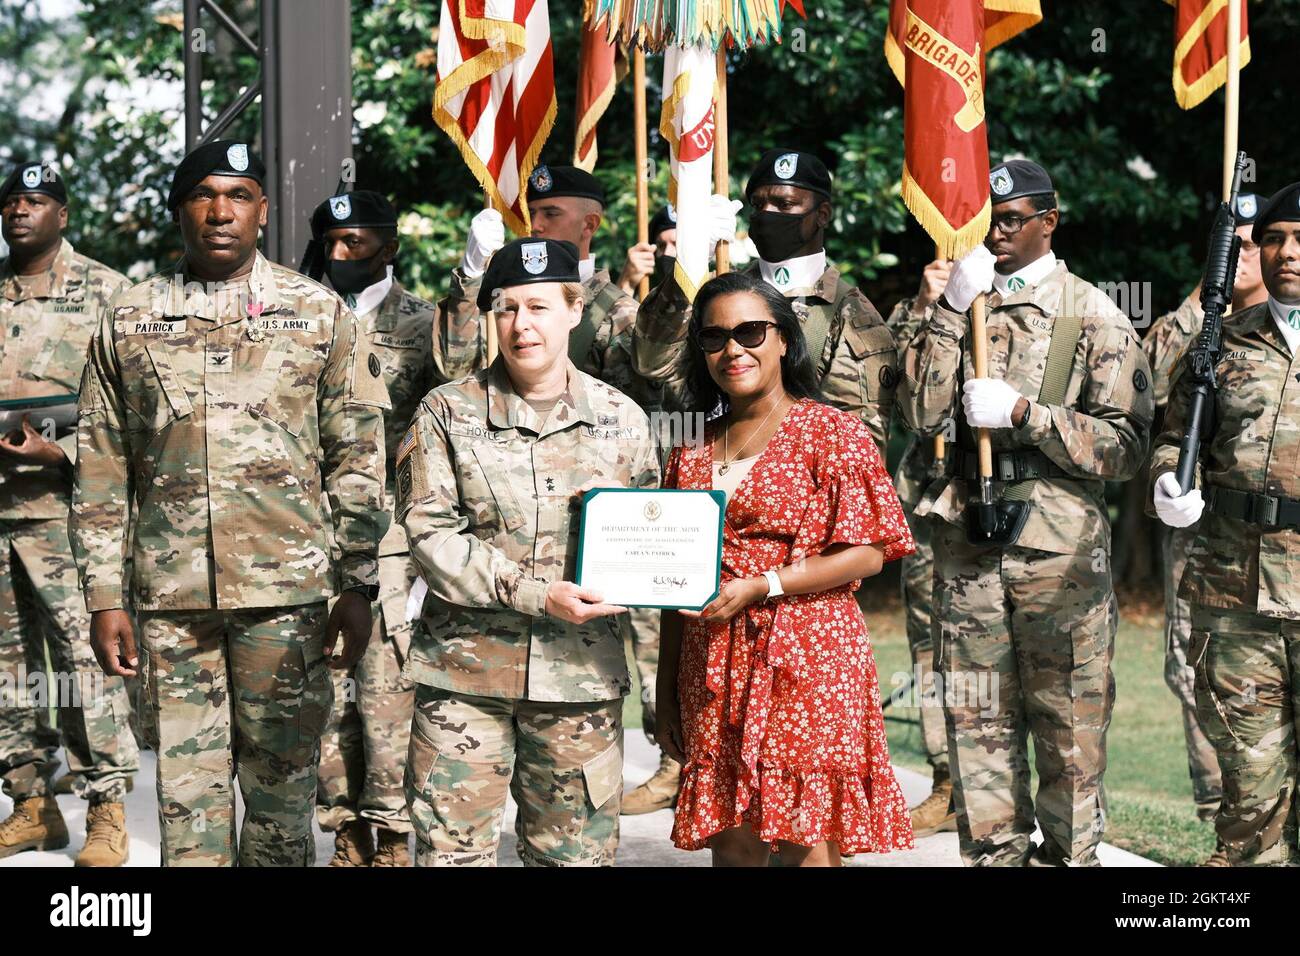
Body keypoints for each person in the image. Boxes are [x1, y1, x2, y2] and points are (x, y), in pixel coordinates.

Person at [71, 140, 391, 867]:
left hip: (290, 596)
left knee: (282, 798)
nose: (221, 212)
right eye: (203, 195)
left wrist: (359, 582)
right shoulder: (129, 317)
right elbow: (101, 466)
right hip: (170, 602)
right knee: (188, 803)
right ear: (180, 208)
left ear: (263, 210)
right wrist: (103, 596)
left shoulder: (317, 313)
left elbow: (357, 456)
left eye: (239, 194)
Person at [898, 159, 1155, 866]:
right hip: (967, 543)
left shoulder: (1092, 314)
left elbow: (1127, 447)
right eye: (985, 222)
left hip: (1057, 552)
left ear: (1050, 220)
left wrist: (1027, 415)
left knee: (1069, 725)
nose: (997, 235)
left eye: (1012, 221)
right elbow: (918, 413)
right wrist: (949, 311)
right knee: (975, 722)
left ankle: (1070, 860)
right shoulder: (956, 305)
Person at [398, 237, 659, 866]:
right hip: (464, 681)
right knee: (449, 859)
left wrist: (659, 685)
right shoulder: (446, 412)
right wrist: (537, 595)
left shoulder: (623, 419)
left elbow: (652, 556)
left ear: (574, 310)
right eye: (508, 308)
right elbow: (429, 532)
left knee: (574, 861)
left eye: (540, 307)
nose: (522, 326)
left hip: (581, 684)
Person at [655, 270, 914, 866]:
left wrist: (764, 584)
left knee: (806, 842)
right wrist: (667, 690)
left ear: (783, 339)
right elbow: (675, 578)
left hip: (807, 654)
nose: (733, 350)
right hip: (713, 659)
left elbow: (870, 552)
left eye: (750, 331)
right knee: (733, 840)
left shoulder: (832, 432)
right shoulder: (691, 447)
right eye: (714, 337)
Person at [1150, 182, 1300, 866]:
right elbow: (1175, 435)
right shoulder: (1220, 344)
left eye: (1299, 239)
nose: (1286, 253)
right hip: (1236, 592)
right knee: (1250, 785)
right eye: (1272, 240)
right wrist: (1169, 482)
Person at [0, 161, 139, 865]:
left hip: (68, 513)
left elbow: (133, 414)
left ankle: (107, 808)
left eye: (36, 200)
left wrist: (59, 450)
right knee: (9, 668)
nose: (20, 210)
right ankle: (32, 804)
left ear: (63, 214)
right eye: (11, 201)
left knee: (84, 665)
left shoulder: (109, 293)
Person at [309, 189, 434, 867]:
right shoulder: (300, 315)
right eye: (329, 242)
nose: (338, 255)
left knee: (385, 685)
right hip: (311, 526)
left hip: (390, 530)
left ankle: (393, 830)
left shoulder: (424, 321)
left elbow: (450, 416)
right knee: (326, 688)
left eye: (354, 242)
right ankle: (343, 825)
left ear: (388, 247)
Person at [633, 148, 899, 451]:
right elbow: (650, 361)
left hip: (786, 489)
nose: (768, 213)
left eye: (785, 204)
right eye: (759, 204)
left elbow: (856, 449)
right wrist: (692, 262)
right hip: (701, 477)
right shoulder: (717, 291)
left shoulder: (852, 316)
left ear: (822, 215)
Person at [435, 164, 658, 410]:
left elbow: (631, 416)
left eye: (551, 214)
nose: (535, 225)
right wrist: (471, 274)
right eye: (531, 213)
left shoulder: (621, 315)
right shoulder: (506, 301)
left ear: (589, 224)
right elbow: (455, 370)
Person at [885, 258, 956, 836]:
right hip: (930, 499)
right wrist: (926, 308)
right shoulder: (915, 310)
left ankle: (1001, 785)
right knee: (930, 645)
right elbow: (902, 399)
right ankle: (947, 782)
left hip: (1007, 500)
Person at [616, 204, 678, 297]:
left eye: (676, 244)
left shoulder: (707, 299)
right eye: (661, 245)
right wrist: (627, 284)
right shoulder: (648, 302)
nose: (666, 253)